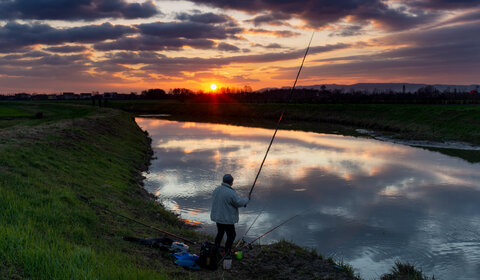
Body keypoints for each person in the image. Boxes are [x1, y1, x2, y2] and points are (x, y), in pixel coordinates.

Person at [210, 174, 250, 256]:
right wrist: (247, 199)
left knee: (220, 233)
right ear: (231, 182)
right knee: (231, 235)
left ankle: (216, 248)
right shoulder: (231, 193)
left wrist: (244, 202)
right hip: (227, 219)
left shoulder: (216, 190)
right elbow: (238, 203)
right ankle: (227, 251)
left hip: (218, 217)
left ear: (223, 181)